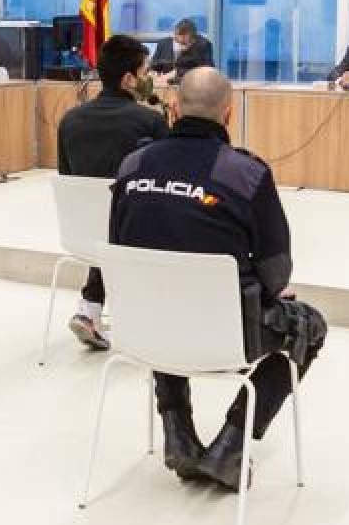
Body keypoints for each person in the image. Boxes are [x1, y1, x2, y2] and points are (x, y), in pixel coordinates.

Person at [109, 67, 326, 489]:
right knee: (310, 327)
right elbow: (277, 272)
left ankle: (178, 434)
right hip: (228, 336)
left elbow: (118, 250)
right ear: (228, 115)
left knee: (164, 293)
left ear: (173, 108)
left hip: (143, 329)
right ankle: (231, 446)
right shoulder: (246, 174)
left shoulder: (132, 165)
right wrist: (265, 295)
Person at [58, 35, 169, 350]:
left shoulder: (69, 120)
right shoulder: (150, 122)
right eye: (145, 72)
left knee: (109, 217)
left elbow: (67, 177)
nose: (149, 79)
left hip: (83, 232)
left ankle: (89, 308)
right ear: (129, 79)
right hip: (133, 234)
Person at [150, 18, 214, 83]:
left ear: (194, 37)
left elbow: (207, 71)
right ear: (175, 34)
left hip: (191, 84)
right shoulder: (163, 43)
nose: (181, 41)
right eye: (178, 37)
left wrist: (176, 72)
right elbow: (153, 64)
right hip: (163, 84)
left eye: (185, 41)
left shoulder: (203, 45)